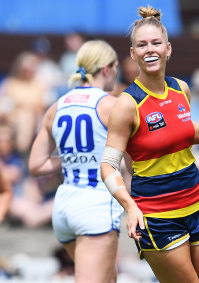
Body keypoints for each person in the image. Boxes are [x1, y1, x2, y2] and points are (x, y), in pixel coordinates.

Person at [101, 6, 199, 283]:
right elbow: (108, 165)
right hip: (157, 217)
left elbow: (178, 131)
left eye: (156, 43)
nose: (149, 49)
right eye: (141, 45)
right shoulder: (127, 105)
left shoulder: (181, 89)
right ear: (132, 53)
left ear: (168, 49)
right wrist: (129, 206)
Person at [29, 40, 124, 283]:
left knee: (109, 278)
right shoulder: (111, 105)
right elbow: (136, 160)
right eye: (116, 67)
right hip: (95, 205)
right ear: (106, 68)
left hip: (64, 207)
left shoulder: (57, 106)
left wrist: (73, 157)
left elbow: (36, 165)